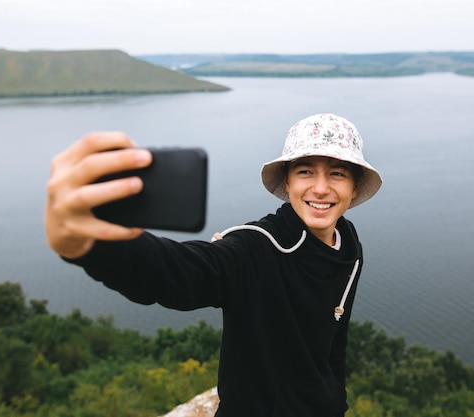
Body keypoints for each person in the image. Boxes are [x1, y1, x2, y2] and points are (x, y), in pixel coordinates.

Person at [45, 113, 383, 416]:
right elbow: (178, 272)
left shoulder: (347, 244)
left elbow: (334, 345)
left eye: (337, 173)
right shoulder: (256, 247)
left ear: (353, 189)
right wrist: (87, 244)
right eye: (305, 171)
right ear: (288, 183)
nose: (320, 188)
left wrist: (336, 402)